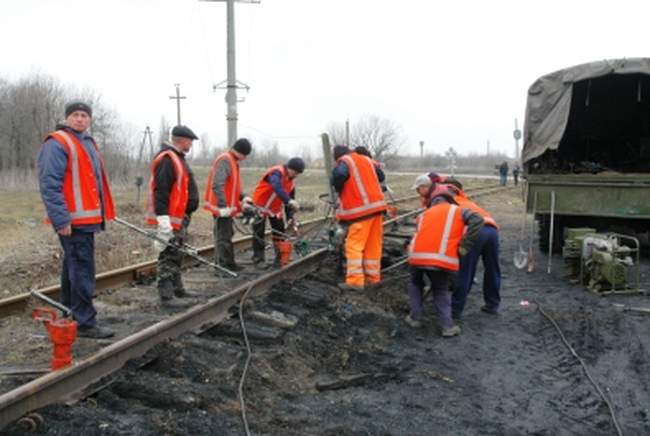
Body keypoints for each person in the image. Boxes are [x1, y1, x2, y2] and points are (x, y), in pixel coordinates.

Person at [37, 101, 116, 339]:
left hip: (87, 220)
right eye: (75, 115)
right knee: (82, 269)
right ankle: (85, 323)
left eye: (84, 115)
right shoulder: (58, 142)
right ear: (66, 118)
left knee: (74, 267)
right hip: (73, 222)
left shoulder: (87, 143)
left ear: (89, 120)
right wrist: (61, 219)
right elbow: (50, 184)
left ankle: (71, 314)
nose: (80, 119)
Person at [408, 176, 483, 337]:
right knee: (440, 289)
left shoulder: (424, 214)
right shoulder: (458, 211)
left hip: (416, 257)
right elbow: (478, 219)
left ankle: (415, 318)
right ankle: (447, 327)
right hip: (440, 260)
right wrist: (465, 246)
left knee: (415, 283)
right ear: (450, 199)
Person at [145, 125, 200, 308]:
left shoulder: (177, 158)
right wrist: (163, 219)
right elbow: (161, 191)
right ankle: (167, 296)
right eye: (190, 141)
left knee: (176, 253)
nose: (191, 144)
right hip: (171, 218)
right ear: (182, 140)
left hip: (180, 216)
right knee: (169, 254)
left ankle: (178, 289)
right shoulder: (168, 159)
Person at [441, 181, 502, 318]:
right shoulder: (467, 201)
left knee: (465, 271)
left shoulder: (449, 205)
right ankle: (492, 305)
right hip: (492, 231)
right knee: (492, 269)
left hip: (475, 233)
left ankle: (455, 309)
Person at [331, 145, 386, 291]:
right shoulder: (367, 160)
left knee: (354, 246)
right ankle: (372, 279)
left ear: (337, 157)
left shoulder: (345, 161)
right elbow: (381, 176)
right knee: (372, 245)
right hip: (377, 209)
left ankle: (355, 281)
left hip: (361, 212)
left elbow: (339, 175)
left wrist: (338, 188)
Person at [204, 138, 252, 272]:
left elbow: (233, 185)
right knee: (223, 236)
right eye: (245, 156)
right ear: (242, 153)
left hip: (227, 208)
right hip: (221, 208)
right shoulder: (225, 160)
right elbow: (217, 185)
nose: (244, 159)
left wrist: (244, 197)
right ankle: (222, 267)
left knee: (227, 233)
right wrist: (223, 206)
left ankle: (229, 263)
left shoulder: (232, 161)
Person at [249, 157, 305, 269]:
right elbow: (276, 186)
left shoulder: (291, 183)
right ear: (290, 168)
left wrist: (290, 216)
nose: (296, 175)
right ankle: (258, 260)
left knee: (280, 232)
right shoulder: (276, 172)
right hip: (260, 205)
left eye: (298, 173)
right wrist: (288, 200)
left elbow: (290, 201)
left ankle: (279, 258)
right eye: (295, 172)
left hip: (274, 209)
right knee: (259, 233)